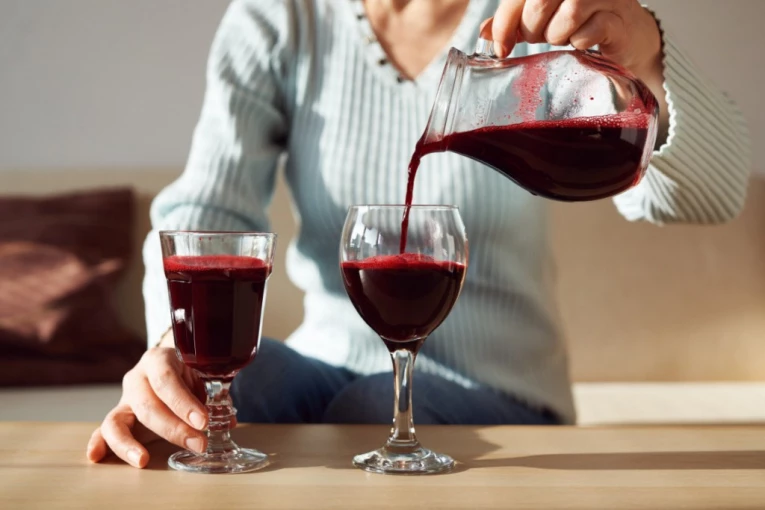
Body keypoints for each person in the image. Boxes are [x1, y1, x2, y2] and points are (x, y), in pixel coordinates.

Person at [87, 0, 751, 468]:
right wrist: (174, 350)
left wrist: (648, 56)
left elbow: (709, 196)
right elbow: (209, 211)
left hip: (498, 389)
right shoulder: (282, 17)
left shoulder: (531, 21)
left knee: (368, 408)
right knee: (223, 396)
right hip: (327, 367)